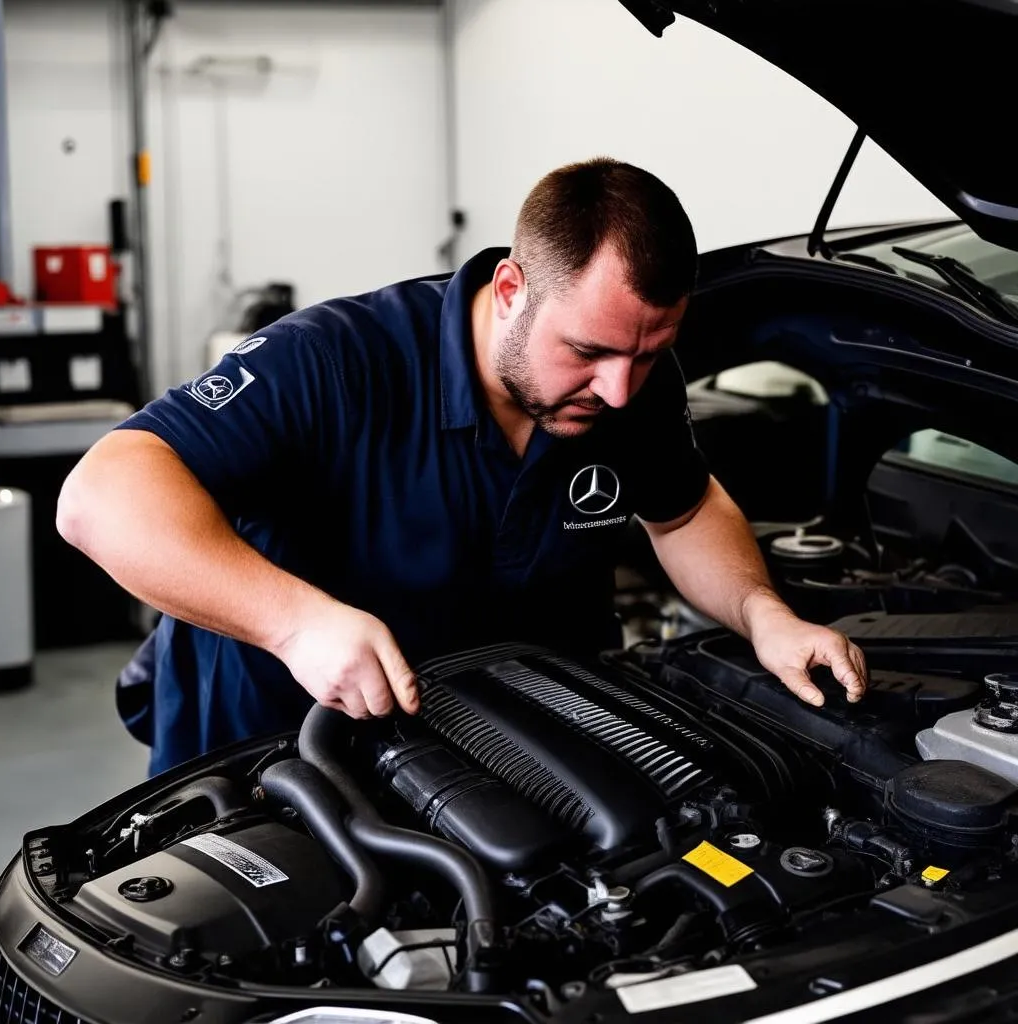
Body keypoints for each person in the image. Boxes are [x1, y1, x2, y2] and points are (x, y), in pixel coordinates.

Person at [57, 157, 868, 775]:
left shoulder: (627, 387)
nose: (619, 390)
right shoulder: (338, 360)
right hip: (276, 759)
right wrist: (295, 623)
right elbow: (100, 495)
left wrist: (765, 614)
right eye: (587, 351)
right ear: (511, 288)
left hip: (503, 746)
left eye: (648, 355)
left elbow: (683, 511)